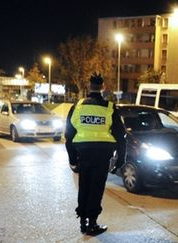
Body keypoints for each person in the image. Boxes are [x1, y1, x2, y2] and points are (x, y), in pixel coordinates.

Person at [65, 73, 126, 236]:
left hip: (83, 153)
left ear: (88, 86)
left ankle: (83, 221)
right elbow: (121, 135)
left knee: (84, 185)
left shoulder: (77, 106)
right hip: (102, 154)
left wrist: (72, 159)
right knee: (96, 187)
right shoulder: (110, 107)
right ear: (103, 87)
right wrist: (121, 159)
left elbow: (69, 134)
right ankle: (92, 223)